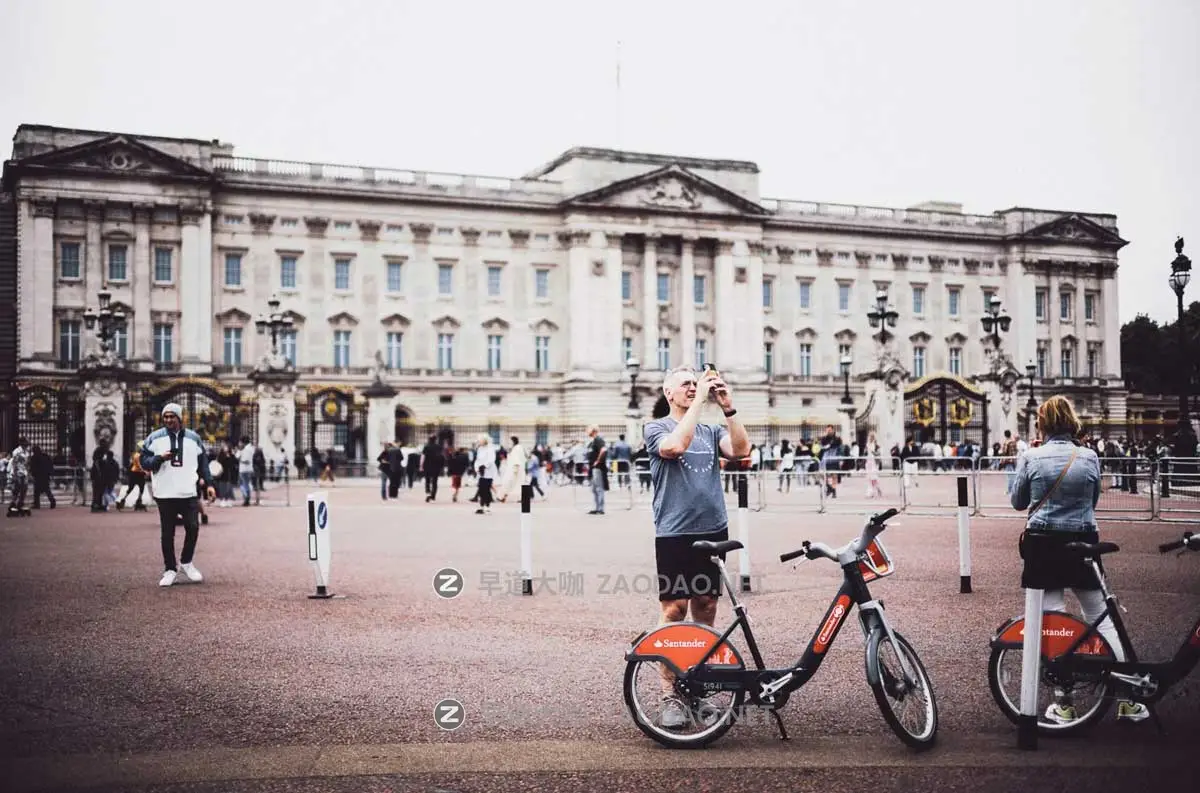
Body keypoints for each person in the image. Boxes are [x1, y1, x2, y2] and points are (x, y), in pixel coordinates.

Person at [1009, 395, 1148, 725]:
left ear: (1042, 424)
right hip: (1083, 541)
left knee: (1054, 620)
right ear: (1071, 421)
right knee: (1101, 615)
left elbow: (1018, 501)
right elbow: (1093, 499)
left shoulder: (1032, 456)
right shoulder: (1089, 457)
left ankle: (1065, 702)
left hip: (1043, 543)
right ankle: (1127, 697)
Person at [643, 365, 750, 729]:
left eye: (695, 382)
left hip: (712, 530)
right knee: (674, 609)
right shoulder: (656, 426)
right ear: (668, 393)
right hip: (674, 532)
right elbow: (675, 446)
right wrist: (699, 403)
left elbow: (740, 450)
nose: (693, 388)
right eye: (685, 384)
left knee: (705, 609)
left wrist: (728, 408)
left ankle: (698, 688)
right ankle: (669, 693)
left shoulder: (712, 428)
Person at [138, 403, 217, 587]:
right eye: (165, 417)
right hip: (165, 492)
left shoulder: (194, 438)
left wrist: (210, 485)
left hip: (188, 491)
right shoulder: (154, 438)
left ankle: (186, 562)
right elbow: (145, 462)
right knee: (168, 533)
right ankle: (170, 569)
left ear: (180, 418)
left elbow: (203, 463)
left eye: (172, 416)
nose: (168, 420)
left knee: (193, 527)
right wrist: (159, 458)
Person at [586, 426, 608, 515]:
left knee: (599, 488)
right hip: (592, 468)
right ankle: (596, 507)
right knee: (594, 489)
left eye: (588, 429)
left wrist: (597, 461)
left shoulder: (599, 440)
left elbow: (603, 450)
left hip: (598, 468)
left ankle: (601, 508)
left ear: (594, 431)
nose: (587, 431)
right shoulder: (592, 442)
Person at [473, 435, 496, 515]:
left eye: (480, 440)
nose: (479, 442)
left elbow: (491, 459)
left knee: (486, 489)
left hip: (488, 472)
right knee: (481, 489)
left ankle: (487, 507)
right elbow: (477, 460)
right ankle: (481, 506)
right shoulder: (480, 449)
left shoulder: (490, 448)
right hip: (481, 472)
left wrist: (484, 466)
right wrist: (476, 468)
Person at [420, 435, 445, 502]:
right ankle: (433, 496)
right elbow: (442, 456)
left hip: (427, 466)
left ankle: (428, 492)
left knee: (427, 480)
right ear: (435, 439)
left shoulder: (426, 447)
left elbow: (423, 457)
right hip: (436, 466)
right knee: (435, 481)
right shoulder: (439, 447)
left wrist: (421, 466)